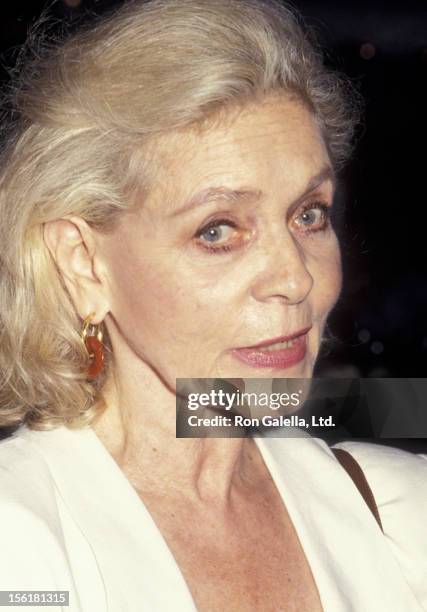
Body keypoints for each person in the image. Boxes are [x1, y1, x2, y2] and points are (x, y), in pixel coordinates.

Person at [0, 0, 426, 610]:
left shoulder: (398, 514)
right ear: (83, 263)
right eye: (218, 229)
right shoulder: (19, 546)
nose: (294, 279)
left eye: (308, 215)